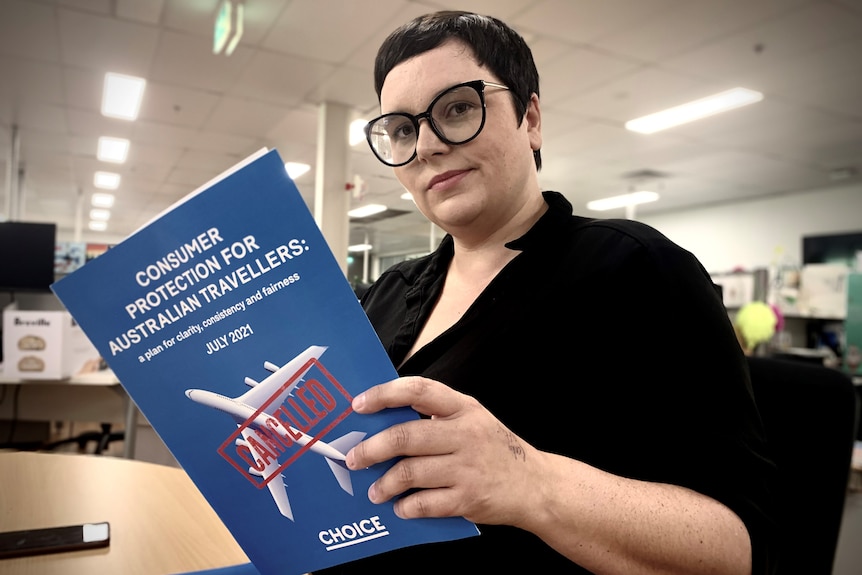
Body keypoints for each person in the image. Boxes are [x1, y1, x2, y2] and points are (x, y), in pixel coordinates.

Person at [320, 10, 778, 574]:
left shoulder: (635, 269)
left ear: (530, 119)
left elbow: (734, 550)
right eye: (403, 130)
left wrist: (528, 481)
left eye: (458, 108)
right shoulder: (387, 291)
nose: (428, 147)